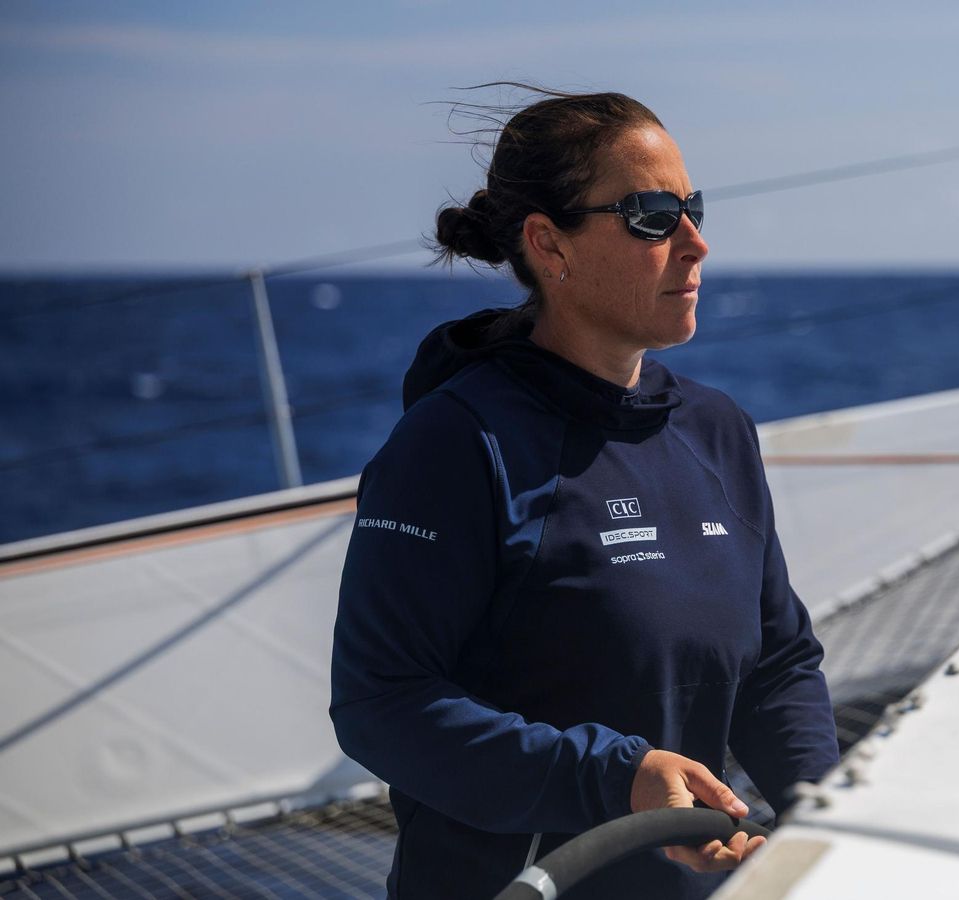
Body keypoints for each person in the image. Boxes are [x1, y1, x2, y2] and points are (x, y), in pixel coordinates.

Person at [329, 87, 839, 900]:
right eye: (651, 215)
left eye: (692, 208)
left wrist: (830, 816)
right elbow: (380, 703)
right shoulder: (457, 443)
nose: (695, 243)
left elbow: (776, 664)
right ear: (549, 245)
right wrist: (616, 778)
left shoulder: (716, 430)